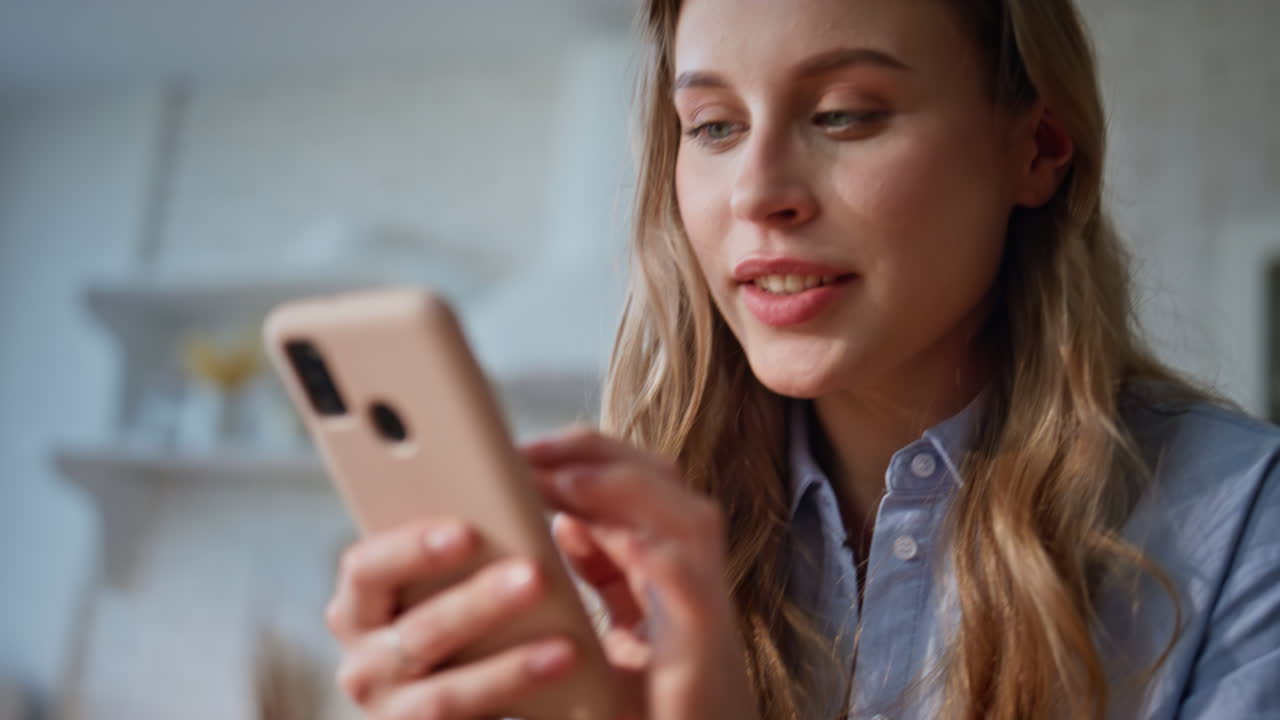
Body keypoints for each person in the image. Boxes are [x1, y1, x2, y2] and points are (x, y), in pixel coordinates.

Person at [322, 0, 1280, 718]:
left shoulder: (1244, 527)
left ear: (1036, 146)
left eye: (845, 114)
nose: (758, 192)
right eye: (714, 127)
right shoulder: (605, 562)